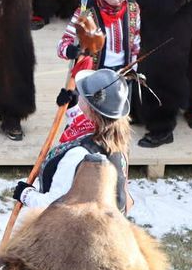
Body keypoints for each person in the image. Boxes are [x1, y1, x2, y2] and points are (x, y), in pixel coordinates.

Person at [13, 66, 134, 214]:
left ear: (91, 106)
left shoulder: (78, 155)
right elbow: (86, 127)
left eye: (82, 93)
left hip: (75, 232)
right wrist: (73, 109)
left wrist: (26, 195)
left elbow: (54, 206)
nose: (79, 92)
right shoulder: (116, 139)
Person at [57, 0, 141, 71]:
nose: (117, 0)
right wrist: (70, 50)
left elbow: (135, 44)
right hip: (92, 72)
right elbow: (63, 43)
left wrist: (133, 68)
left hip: (123, 73)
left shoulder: (133, 8)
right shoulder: (86, 11)